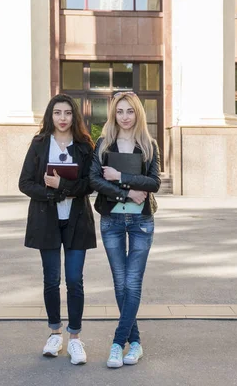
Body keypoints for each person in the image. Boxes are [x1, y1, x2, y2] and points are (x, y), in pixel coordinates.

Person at [19, 94, 96, 365]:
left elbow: (90, 184)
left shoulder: (85, 146)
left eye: (67, 113)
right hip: (47, 220)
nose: (62, 118)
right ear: (50, 116)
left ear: (74, 116)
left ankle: (75, 338)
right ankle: (55, 333)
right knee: (51, 280)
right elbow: (25, 183)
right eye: (57, 113)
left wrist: (61, 186)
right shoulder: (40, 144)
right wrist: (53, 193)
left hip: (77, 221)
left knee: (74, 280)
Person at [89, 91, 161, 368]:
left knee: (132, 283)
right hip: (112, 222)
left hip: (142, 222)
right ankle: (136, 343)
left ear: (138, 113)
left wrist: (122, 178)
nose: (125, 117)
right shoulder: (104, 144)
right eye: (120, 111)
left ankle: (118, 343)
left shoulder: (148, 144)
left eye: (130, 111)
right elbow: (94, 180)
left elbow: (154, 183)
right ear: (113, 114)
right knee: (120, 283)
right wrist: (127, 194)